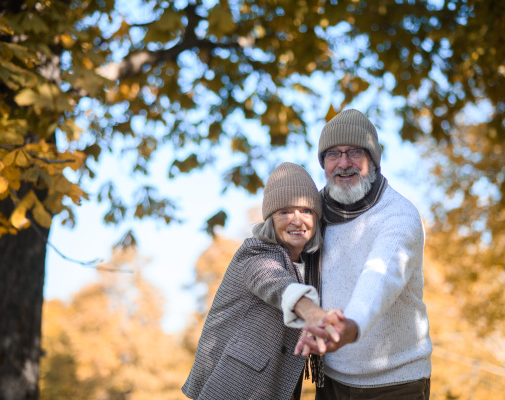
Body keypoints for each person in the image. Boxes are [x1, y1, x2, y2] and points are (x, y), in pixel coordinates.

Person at [290, 109, 432, 399]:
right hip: (329, 379)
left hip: (394, 384)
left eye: (355, 152)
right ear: (323, 163)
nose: (344, 163)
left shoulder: (398, 215)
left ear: (373, 160)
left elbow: (379, 278)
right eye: (333, 154)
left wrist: (348, 327)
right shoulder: (313, 212)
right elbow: (273, 250)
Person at [182, 162, 340, 400]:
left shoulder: (310, 267)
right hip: (235, 386)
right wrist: (312, 312)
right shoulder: (255, 252)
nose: (297, 220)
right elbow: (276, 283)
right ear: (271, 220)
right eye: (284, 212)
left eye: (306, 211)